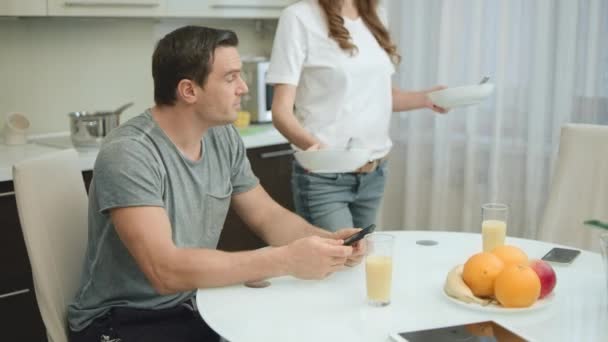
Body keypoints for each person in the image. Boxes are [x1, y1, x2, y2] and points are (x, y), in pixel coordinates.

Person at [67, 25, 365, 342]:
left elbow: (268, 216)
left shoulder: (221, 136)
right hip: (123, 320)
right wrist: (286, 260)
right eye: (230, 77)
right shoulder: (129, 153)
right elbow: (164, 271)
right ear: (189, 91)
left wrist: (332, 243)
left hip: (193, 303)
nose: (244, 88)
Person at [267, 0, 447, 232]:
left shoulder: (375, 15)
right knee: (337, 262)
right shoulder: (299, 17)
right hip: (326, 176)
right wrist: (319, 151)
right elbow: (281, 112)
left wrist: (427, 97)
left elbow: (382, 96)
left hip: (374, 173)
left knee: (362, 262)